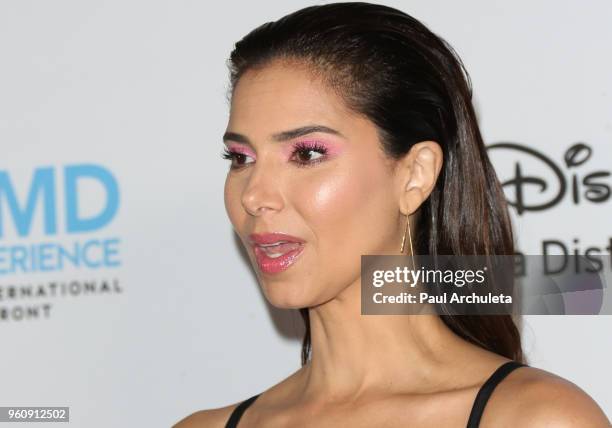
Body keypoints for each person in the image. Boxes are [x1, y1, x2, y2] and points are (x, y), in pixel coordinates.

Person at [174, 2, 610, 427]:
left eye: (306, 153)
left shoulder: (536, 418)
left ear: (415, 175)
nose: (254, 195)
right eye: (240, 157)